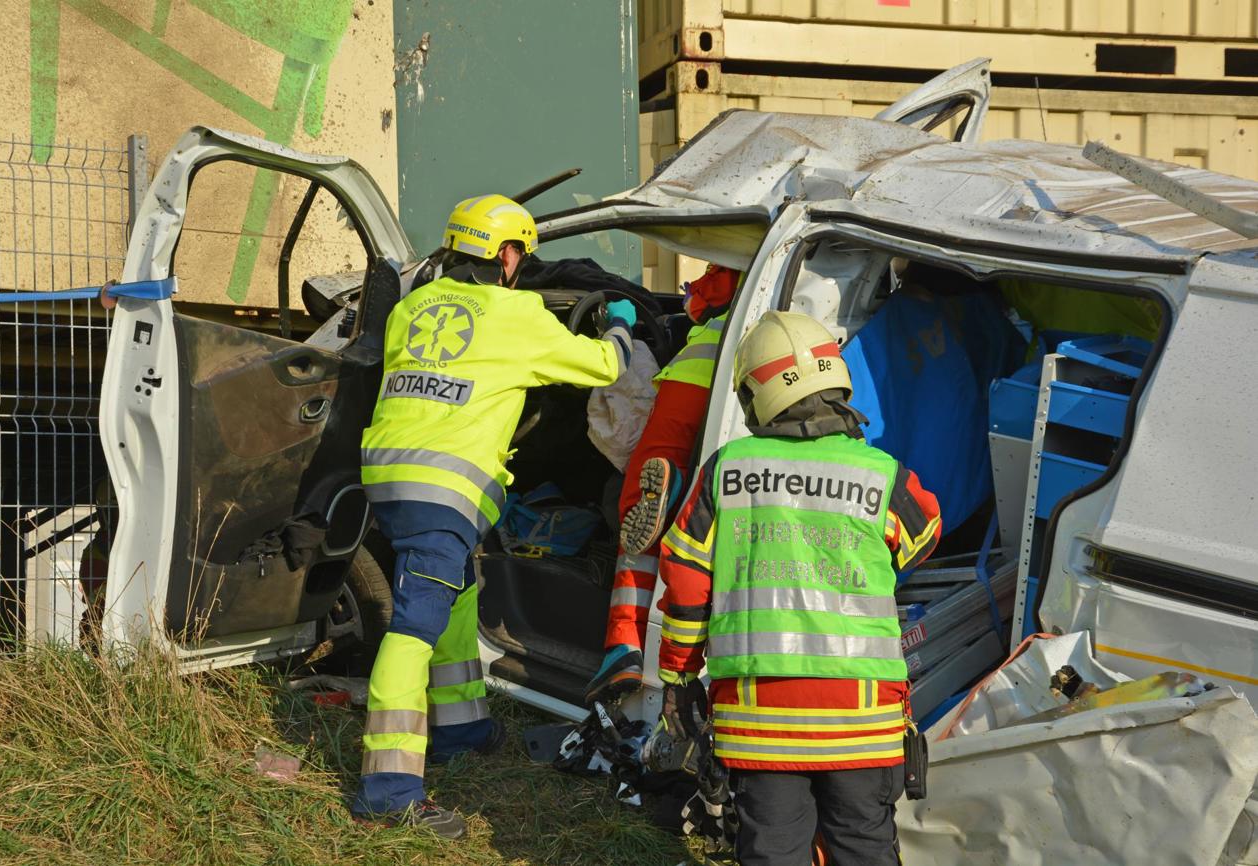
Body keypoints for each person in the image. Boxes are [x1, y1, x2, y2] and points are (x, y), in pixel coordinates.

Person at [353, 194, 637, 840]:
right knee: (415, 624)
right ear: (509, 255)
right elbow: (604, 368)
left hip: (389, 475)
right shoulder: (518, 313)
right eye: (522, 254)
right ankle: (389, 787)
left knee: (455, 593)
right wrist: (619, 321)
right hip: (445, 484)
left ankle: (462, 729)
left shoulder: (411, 308)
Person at [654, 311, 942, 866]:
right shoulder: (882, 475)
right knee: (863, 848)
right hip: (863, 722)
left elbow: (687, 582)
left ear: (752, 395)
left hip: (760, 724)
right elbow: (923, 533)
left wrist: (679, 676)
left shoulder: (725, 473)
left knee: (774, 850)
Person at [585, 264, 740, 703]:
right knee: (703, 508)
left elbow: (701, 301)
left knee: (639, 493)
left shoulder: (741, 245)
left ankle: (623, 644)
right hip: (749, 389)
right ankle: (681, 491)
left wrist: (623, 322)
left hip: (696, 378)